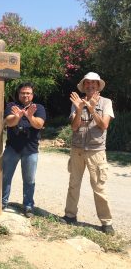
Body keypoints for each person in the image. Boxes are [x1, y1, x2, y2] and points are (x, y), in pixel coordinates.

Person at [61, 72, 115, 235]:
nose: (90, 86)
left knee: (99, 187)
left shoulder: (106, 102)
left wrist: (91, 109)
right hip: (77, 149)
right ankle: (70, 215)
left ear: (98, 86)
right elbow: (74, 127)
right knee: (73, 184)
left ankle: (106, 222)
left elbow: (104, 125)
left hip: (96, 150)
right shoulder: (76, 102)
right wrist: (79, 109)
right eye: (87, 83)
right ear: (83, 86)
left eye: (94, 83)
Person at [1, 82, 46, 218]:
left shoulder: (38, 107)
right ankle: (2, 202)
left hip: (31, 150)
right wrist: (18, 116)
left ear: (32, 95)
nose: (25, 95)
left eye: (28, 93)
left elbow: (39, 125)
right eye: (22, 93)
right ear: (18, 94)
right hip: (12, 149)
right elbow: (9, 122)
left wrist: (30, 116)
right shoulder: (11, 106)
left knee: (29, 180)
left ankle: (28, 206)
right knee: (5, 177)